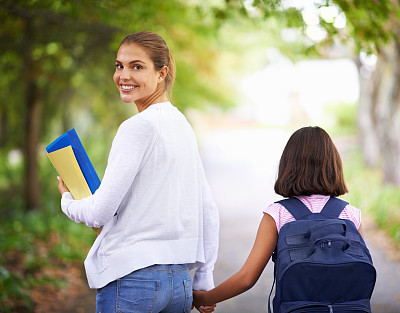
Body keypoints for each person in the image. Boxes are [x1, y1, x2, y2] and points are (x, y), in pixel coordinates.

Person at [57, 31, 219, 313]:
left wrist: (68, 201)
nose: (124, 75)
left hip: (133, 281)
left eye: (137, 66)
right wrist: (204, 279)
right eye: (119, 65)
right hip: (178, 283)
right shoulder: (181, 125)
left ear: (161, 73)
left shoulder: (137, 127)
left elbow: (98, 213)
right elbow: (208, 209)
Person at [192, 126, 363, 311]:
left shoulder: (278, 214)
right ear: (333, 165)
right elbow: (360, 274)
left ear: (289, 165)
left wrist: (205, 297)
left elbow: (247, 278)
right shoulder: (351, 215)